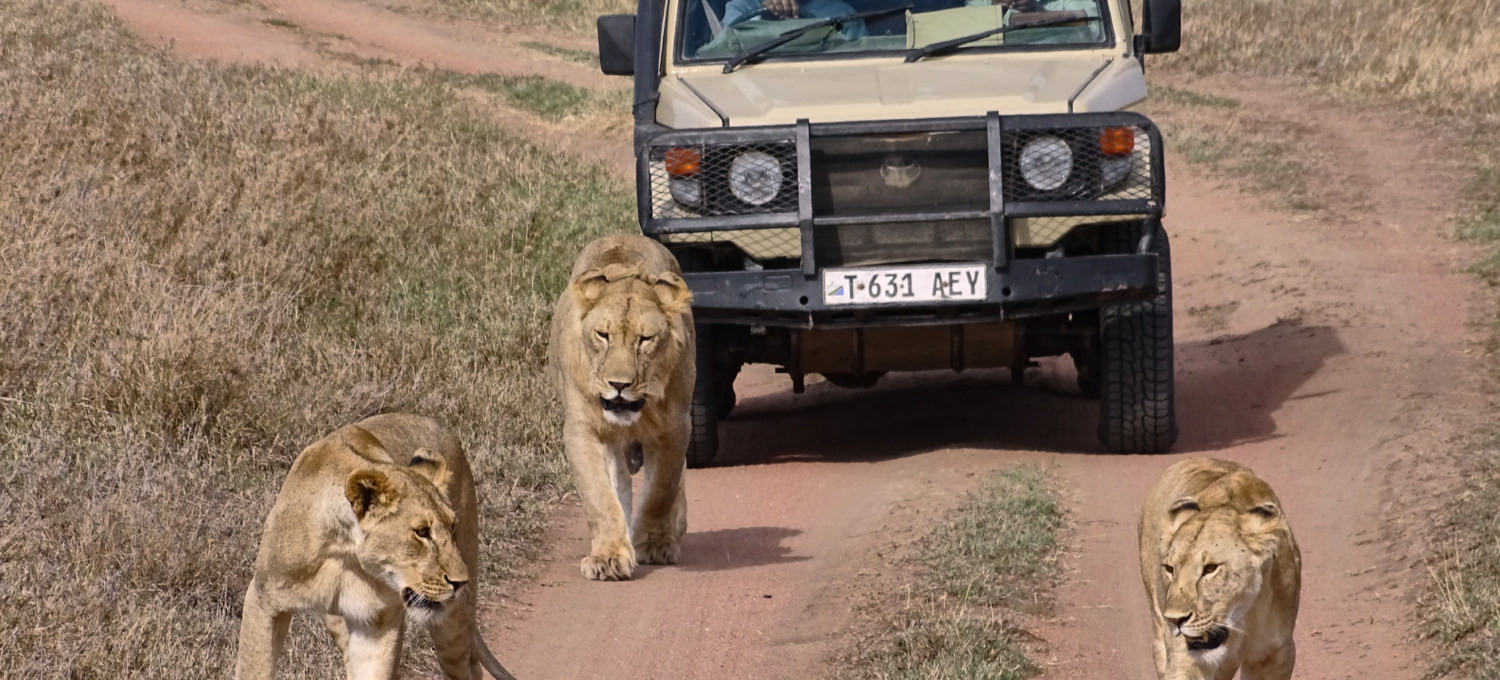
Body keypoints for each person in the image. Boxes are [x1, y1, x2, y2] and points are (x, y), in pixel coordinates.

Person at [720, 0, 870, 38]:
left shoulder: (841, 13)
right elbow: (728, 51)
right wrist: (764, 17)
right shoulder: (743, 7)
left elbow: (859, 74)